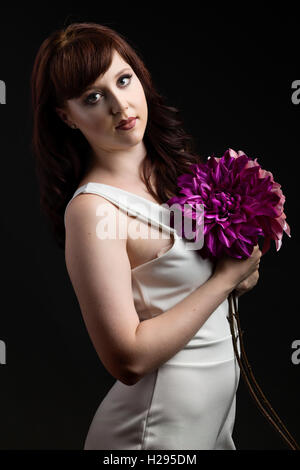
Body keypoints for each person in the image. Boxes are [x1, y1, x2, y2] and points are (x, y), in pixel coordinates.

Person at [30, 22, 261, 450]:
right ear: (67, 117)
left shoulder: (176, 177)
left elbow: (183, 297)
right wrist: (225, 279)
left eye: (123, 79)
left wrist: (240, 276)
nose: (120, 105)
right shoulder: (93, 210)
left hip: (211, 420)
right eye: (93, 98)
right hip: (152, 435)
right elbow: (128, 359)